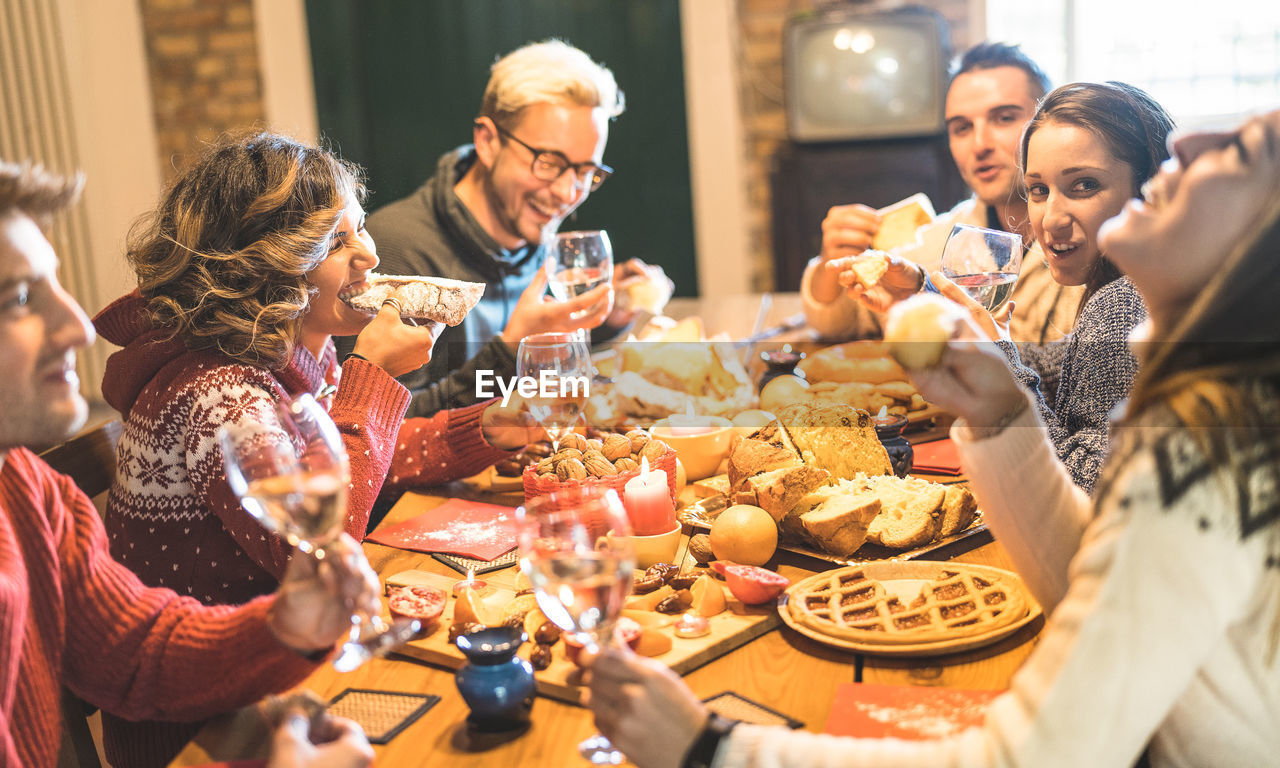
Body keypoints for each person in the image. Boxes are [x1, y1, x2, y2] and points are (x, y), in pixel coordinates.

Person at [588, 109, 1280, 767]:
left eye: (1244, 153)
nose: (1190, 144)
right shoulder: (1219, 405)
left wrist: (711, 747)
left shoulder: (1207, 452)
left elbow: (1032, 757)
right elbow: (1095, 583)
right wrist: (1003, 420)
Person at [91, 131, 531, 765]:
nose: (371, 253)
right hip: (209, 728)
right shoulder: (219, 394)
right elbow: (326, 546)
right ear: (264, 267)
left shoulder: (289, 351)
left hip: (292, 671)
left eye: (359, 230)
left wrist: (486, 430)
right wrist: (374, 375)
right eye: (338, 241)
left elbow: (355, 459)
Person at [0, 160, 381, 768]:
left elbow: (135, 652)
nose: (78, 325)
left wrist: (284, 627)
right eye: (19, 299)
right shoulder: (219, 390)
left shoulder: (25, 485)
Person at [356, 38, 672, 418]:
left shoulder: (535, 233)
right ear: (488, 142)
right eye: (548, 162)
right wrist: (510, 352)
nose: (566, 193)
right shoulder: (394, 250)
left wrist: (604, 322)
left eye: (586, 171)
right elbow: (386, 432)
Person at [926, 81, 1172, 493]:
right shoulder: (1162, 282)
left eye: (1084, 185)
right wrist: (984, 346)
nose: (1050, 219)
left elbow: (1080, 490)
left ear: (1148, 189)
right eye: (1039, 190)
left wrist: (1002, 367)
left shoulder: (1124, 302)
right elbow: (1069, 361)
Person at [805, 43, 1082, 378]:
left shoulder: (1087, 241)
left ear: (1046, 125)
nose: (979, 144)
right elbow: (838, 321)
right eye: (961, 128)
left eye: (1004, 118)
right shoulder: (950, 236)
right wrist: (830, 260)